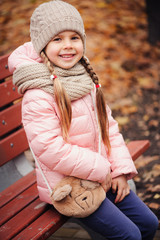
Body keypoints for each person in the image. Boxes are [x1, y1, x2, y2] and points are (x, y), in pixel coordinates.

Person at [8, 1, 158, 239]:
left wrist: (118, 170)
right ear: (42, 46)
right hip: (68, 187)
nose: (67, 46)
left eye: (74, 37)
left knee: (149, 223)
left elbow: (108, 126)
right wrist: (102, 170)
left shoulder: (84, 78)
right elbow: (49, 148)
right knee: (129, 234)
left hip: (101, 175)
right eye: (57, 39)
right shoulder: (38, 94)